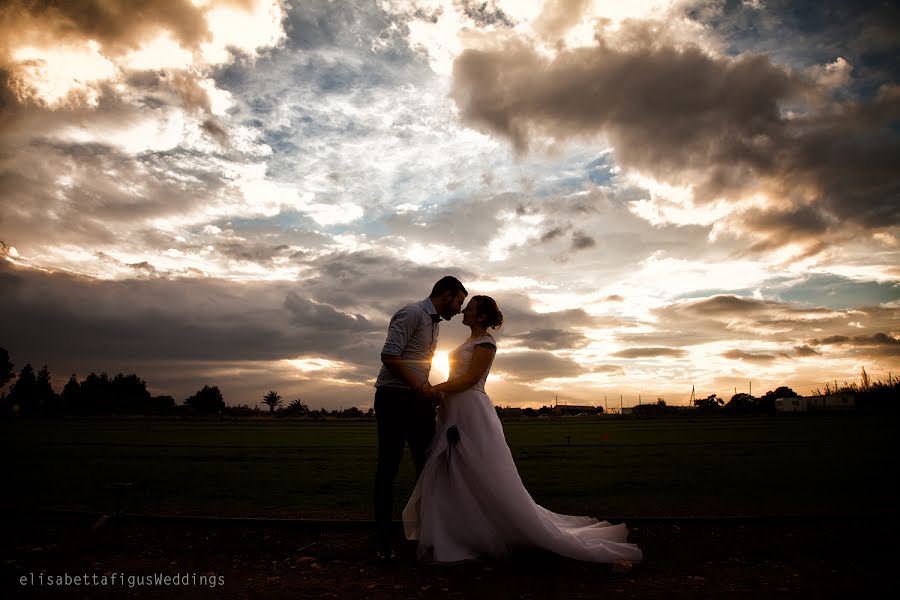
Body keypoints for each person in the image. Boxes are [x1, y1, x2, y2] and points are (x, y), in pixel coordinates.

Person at [403, 295, 643, 564]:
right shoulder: (469, 342)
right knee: (455, 468)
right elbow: (456, 378)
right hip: (453, 409)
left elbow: (470, 379)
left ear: (481, 317)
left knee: (481, 468)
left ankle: (491, 530)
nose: (463, 312)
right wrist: (441, 397)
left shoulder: (485, 343)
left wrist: (434, 390)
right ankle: (458, 530)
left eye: (469, 309)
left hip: (471, 410)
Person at [373, 276, 468, 560]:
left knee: (427, 468)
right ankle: (382, 542)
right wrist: (421, 389)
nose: (460, 309)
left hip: (417, 400)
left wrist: (428, 392)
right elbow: (389, 356)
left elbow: (415, 363)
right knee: (388, 467)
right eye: (459, 301)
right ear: (447, 294)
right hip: (393, 397)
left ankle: (427, 536)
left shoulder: (434, 323)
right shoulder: (412, 313)